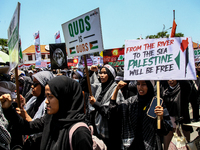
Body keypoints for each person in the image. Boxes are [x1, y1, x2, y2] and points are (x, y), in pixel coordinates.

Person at [0, 76, 93, 150]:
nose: (46, 101)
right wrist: (8, 108)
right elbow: (27, 127)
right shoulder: (51, 118)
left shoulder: (80, 133)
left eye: (50, 97)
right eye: (46, 97)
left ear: (64, 98)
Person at [109, 80, 172, 150]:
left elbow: (165, 130)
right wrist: (116, 89)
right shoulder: (131, 102)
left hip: (151, 145)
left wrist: (161, 117)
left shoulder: (156, 103)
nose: (140, 87)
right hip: (132, 145)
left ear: (150, 86)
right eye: (138, 84)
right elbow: (112, 110)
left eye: (144, 84)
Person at [87, 64, 125, 149]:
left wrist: (96, 104)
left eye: (105, 73)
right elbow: (85, 85)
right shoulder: (99, 87)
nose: (101, 75)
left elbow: (110, 113)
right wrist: (90, 71)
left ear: (110, 75)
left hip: (110, 134)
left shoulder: (116, 91)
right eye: (100, 73)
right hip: (98, 131)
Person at [163, 80, 192, 150]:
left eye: (173, 78)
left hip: (182, 120)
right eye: (169, 78)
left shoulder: (183, 87)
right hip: (168, 121)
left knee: (184, 145)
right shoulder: (163, 89)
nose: (170, 80)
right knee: (167, 145)